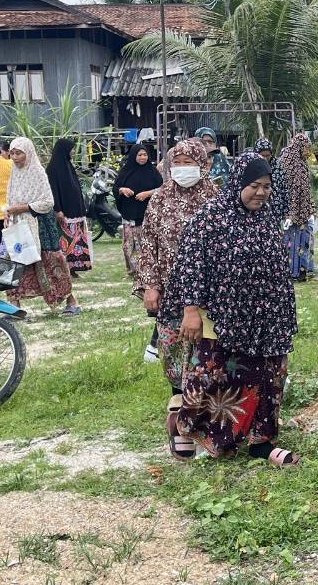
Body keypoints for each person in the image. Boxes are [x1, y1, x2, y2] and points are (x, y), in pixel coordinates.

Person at [167, 153, 300, 466]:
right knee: (212, 376)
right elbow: (191, 263)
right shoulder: (212, 216)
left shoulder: (267, 216)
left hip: (268, 315)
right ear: (238, 183)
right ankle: (184, 425)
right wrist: (190, 309)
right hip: (223, 315)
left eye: (267, 186)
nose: (262, 192)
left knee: (268, 376)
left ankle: (261, 442)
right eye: (254, 185)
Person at [135, 138, 218, 409]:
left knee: (207, 347)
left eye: (188, 163)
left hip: (209, 291)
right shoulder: (159, 198)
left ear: (202, 164)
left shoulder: (215, 198)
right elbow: (148, 244)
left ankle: (208, 406)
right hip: (170, 289)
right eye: (177, 163)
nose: (182, 169)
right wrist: (150, 285)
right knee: (174, 345)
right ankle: (179, 402)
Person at [5, 137, 81, 316]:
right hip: (20, 225)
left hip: (41, 226)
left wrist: (23, 208)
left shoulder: (38, 172)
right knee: (17, 261)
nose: (15, 157)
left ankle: (72, 301)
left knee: (51, 263)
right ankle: (14, 306)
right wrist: (9, 212)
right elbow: (11, 198)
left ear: (28, 153)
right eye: (12, 153)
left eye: (19, 153)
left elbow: (47, 202)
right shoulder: (14, 173)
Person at [113, 142, 162, 276]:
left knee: (144, 243)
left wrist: (148, 193)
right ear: (134, 156)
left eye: (145, 154)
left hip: (146, 214)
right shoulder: (126, 171)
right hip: (129, 213)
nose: (143, 157)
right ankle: (132, 270)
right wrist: (123, 190)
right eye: (140, 155)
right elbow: (116, 188)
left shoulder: (152, 171)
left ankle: (145, 269)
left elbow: (162, 189)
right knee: (128, 244)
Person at [47, 137, 93, 276]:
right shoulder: (53, 169)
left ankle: (74, 268)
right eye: (71, 149)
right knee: (66, 241)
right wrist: (58, 209)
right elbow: (53, 190)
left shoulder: (68, 165)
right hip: (64, 212)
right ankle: (64, 268)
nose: (73, 152)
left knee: (77, 241)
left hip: (75, 210)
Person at [275, 133, 316, 280]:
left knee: (304, 239)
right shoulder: (287, 162)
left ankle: (303, 270)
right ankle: (291, 272)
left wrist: (310, 209)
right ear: (299, 146)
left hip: (303, 210)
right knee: (290, 241)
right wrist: (290, 213)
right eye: (306, 148)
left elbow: (305, 189)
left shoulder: (301, 162)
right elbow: (289, 190)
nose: (308, 151)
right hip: (290, 211)